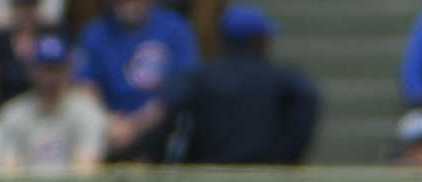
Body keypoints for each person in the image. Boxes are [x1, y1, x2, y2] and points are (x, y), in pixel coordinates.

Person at [171, 4, 318, 166]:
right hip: (264, 174)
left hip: (211, 174)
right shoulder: (279, 79)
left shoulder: (201, 78)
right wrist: (288, 155)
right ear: (257, 40)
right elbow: (308, 98)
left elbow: (174, 114)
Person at [75, 0, 198, 162]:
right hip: (108, 131)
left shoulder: (175, 29)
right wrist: (108, 121)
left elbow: (180, 88)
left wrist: (135, 126)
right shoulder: (95, 32)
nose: (128, 4)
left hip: (158, 133)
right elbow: (85, 86)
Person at [0, 31, 103, 174]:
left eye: (57, 68)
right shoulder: (12, 115)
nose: (51, 77)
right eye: (45, 69)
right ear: (32, 71)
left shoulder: (88, 114)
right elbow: (8, 174)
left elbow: (85, 173)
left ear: (68, 69)